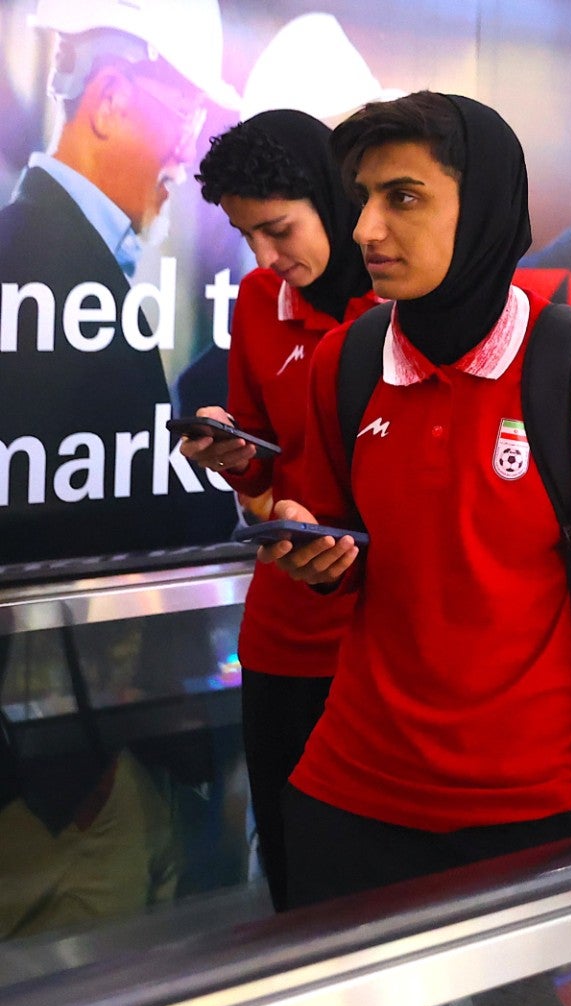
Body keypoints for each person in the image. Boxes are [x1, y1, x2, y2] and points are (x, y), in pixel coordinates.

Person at [258, 93, 571, 1006]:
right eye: (362, 198)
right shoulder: (349, 361)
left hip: (533, 812)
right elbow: (333, 540)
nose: (367, 228)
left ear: (479, 208)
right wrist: (309, 552)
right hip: (353, 796)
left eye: (403, 197)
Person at [172, 110, 378, 911]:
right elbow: (264, 467)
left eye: (279, 230)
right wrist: (232, 452)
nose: (264, 258)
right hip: (285, 633)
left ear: (332, 196)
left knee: (377, 891)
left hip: (380, 638)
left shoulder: (403, 303)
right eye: (246, 236)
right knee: (293, 877)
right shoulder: (260, 300)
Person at [0, 0, 241, 563]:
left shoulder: (46, 250)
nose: (187, 156)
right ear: (110, 102)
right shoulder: (64, 274)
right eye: (186, 118)